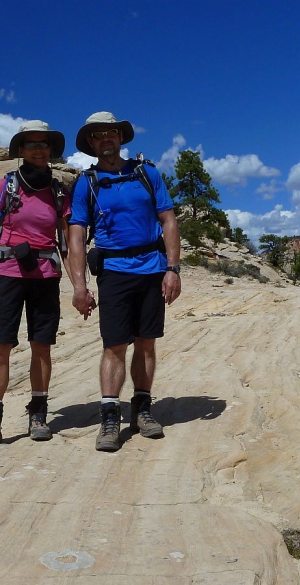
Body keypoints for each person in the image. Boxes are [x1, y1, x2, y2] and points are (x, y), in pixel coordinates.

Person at [66, 111, 181, 452]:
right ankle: (110, 416)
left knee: (146, 342)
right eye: (98, 135)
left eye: (111, 133)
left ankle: (142, 410)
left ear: (120, 137)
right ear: (91, 142)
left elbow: (169, 220)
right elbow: (76, 236)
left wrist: (173, 269)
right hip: (114, 272)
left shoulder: (146, 174)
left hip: (151, 268)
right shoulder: (87, 183)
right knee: (114, 345)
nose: (106, 139)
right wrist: (78, 286)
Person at [0, 120, 71, 450]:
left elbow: (68, 243)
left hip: (45, 275)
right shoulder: (7, 187)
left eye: (44, 144)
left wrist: (81, 287)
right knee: (0, 345)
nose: (39, 149)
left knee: (41, 345)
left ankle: (38, 414)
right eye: (32, 144)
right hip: (8, 273)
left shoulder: (58, 192)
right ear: (21, 151)